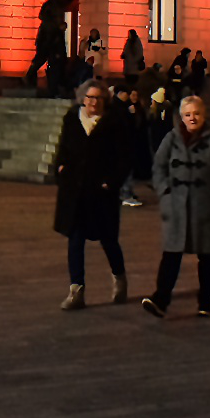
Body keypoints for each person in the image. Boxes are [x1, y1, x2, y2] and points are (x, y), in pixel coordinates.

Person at [142, 95, 210, 319]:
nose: (192, 118)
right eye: (187, 114)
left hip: (206, 207)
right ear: (181, 117)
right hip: (176, 206)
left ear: (204, 114)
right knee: (171, 255)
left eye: (196, 113)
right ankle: (161, 300)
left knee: (208, 257)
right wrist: (164, 190)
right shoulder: (171, 138)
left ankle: (206, 303)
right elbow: (159, 166)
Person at [51, 80, 129, 310]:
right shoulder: (72, 119)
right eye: (90, 97)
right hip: (74, 191)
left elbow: (124, 157)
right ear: (82, 98)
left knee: (108, 240)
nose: (93, 102)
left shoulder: (114, 123)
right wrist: (60, 168)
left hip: (100, 192)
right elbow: (63, 147)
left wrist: (111, 183)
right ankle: (77, 290)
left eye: (98, 98)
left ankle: (119, 278)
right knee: (75, 240)